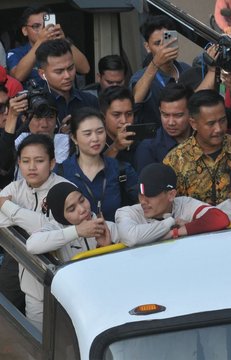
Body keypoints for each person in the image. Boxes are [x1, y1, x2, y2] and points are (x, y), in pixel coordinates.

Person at [26, 182, 118, 329]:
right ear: (60, 215)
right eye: (71, 209)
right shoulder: (54, 228)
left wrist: (105, 247)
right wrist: (77, 231)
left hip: (103, 303)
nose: (82, 209)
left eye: (82, 200)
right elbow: (32, 245)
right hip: (70, 309)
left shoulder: (109, 226)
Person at [0, 134, 68, 327]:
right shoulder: (14, 187)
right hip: (25, 271)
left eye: (39, 161)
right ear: (18, 163)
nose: (31, 167)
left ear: (52, 162)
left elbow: (50, 232)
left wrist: (11, 209)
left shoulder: (65, 189)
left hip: (60, 272)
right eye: (25, 161)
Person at [163, 90, 231, 205]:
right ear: (193, 124)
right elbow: (169, 207)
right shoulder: (175, 160)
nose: (218, 129)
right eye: (210, 123)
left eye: (222, 121)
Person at [115, 163, 230, 246]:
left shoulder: (184, 204)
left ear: (171, 195)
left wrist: (177, 232)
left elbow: (220, 218)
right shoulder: (126, 212)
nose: (143, 201)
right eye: (140, 194)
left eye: (151, 194)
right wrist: (171, 223)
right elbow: (132, 238)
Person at [55, 107, 138, 221]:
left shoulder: (122, 170)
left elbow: (141, 205)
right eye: (87, 134)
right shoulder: (61, 173)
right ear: (74, 138)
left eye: (100, 132)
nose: (95, 138)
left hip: (117, 237)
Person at [130, 15, 190, 124]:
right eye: (158, 43)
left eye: (168, 41)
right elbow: (134, 103)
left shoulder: (186, 69)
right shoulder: (140, 76)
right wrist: (155, 63)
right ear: (147, 47)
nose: (164, 47)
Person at [7, 6, 90, 84]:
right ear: (25, 30)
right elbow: (18, 77)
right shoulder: (16, 53)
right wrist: (40, 41)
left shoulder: (61, 48)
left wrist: (64, 40)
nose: (43, 29)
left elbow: (85, 69)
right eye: (36, 26)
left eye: (45, 24)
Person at [0, 92, 69, 184]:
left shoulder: (68, 142)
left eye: (50, 117)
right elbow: (3, 165)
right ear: (25, 119)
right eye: (37, 117)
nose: (44, 124)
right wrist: (12, 117)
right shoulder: (20, 140)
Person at [35, 39, 98, 122]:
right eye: (59, 71)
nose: (67, 76)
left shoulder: (90, 101)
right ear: (42, 74)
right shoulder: (36, 105)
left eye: (70, 68)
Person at [135, 83, 192, 172]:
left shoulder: (203, 139)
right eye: (165, 115)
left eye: (178, 115)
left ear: (191, 113)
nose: (171, 122)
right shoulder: (148, 148)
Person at [98, 86, 137, 166]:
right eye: (116, 115)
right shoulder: (95, 142)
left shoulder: (141, 142)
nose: (124, 120)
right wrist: (115, 148)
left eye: (129, 114)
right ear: (103, 117)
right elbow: (94, 173)